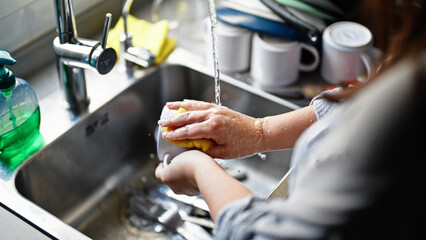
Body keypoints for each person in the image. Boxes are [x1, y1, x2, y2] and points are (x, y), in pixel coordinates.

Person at [156, 0, 426, 239]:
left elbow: (261, 235)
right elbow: (354, 106)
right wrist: (259, 131)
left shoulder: (407, 104)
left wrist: (199, 169)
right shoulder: (413, 62)